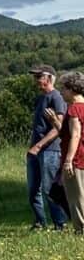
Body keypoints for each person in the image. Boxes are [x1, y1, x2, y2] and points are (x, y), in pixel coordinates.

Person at [27, 64, 68, 230]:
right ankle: (39, 222)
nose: (36, 80)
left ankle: (60, 224)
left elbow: (59, 127)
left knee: (49, 189)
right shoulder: (40, 98)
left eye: (39, 77)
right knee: (33, 190)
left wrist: (39, 145)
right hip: (35, 150)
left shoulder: (56, 97)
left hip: (50, 150)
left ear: (49, 78)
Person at [51, 72, 84, 232]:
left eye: (63, 89)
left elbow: (75, 135)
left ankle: (81, 229)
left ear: (72, 89)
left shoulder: (73, 110)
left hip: (77, 159)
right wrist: (56, 123)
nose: (61, 93)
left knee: (76, 197)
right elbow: (67, 134)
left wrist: (69, 160)